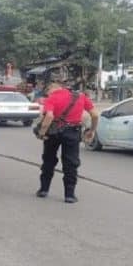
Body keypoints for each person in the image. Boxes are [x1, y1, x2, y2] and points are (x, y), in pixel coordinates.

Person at [35, 72, 99, 204]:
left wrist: (41, 133)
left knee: (48, 160)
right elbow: (95, 115)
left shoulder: (51, 98)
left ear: (51, 87)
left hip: (53, 133)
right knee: (71, 163)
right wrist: (92, 130)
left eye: (47, 91)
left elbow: (49, 117)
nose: (47, 94)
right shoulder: (80, 96)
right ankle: (69, 195)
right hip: (72, 132)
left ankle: (43, 190)